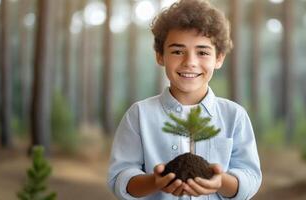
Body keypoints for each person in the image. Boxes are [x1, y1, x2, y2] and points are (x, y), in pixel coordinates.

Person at [107, 0, 261, 199]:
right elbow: (120, 178)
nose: (190, 62)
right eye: (178, 51)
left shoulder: (234, 115)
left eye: (203, 52)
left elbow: (250, 177)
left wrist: (220, 181)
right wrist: (155, 181)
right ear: (160, 56)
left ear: (219, 58)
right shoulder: (139, 115)